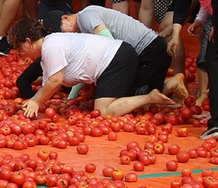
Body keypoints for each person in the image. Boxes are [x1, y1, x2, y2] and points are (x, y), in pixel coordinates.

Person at [10, 18, 174, 117]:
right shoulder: (51, 46)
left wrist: (35, 102)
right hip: (117, 56)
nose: (22, 53)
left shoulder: (50, 46)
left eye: (20, 48)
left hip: (116, 59)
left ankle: (150, 97)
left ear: (28, 42)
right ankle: (170, 85)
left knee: (103, 112)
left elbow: (55, 81)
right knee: (126, 98)